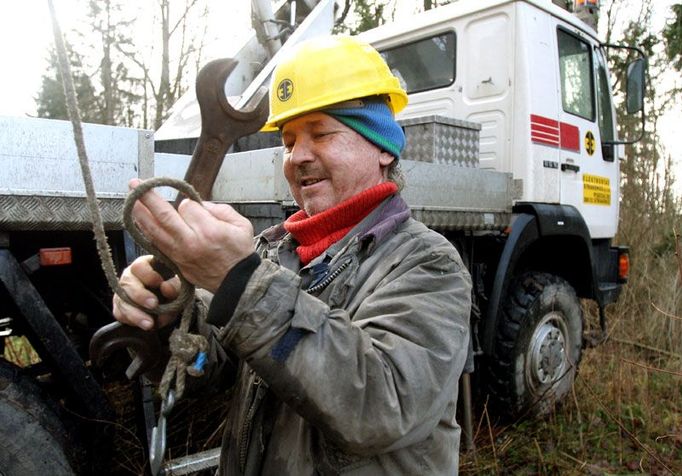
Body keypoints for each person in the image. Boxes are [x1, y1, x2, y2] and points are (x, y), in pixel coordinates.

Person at [113, 35, 471, 475]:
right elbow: (212, 368)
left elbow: (380, 405)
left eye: (321, 133)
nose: (297, 156)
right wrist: (166, 320)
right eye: (288, 140)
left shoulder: (427, 263)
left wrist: (241, 284)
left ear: (382, 147)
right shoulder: (272, 253)